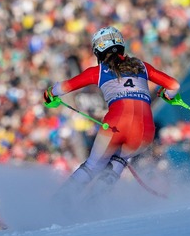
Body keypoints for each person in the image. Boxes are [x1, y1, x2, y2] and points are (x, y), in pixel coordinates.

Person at [43, 26, 180, 203]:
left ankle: (58, 203)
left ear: (98, 51)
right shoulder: (142, 66)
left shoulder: (98, 72)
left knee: (93, 165)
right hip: (145, 131)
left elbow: (63, 87)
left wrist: (49, 94)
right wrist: (167, 95)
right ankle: (93, 205)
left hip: (116, 125)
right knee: (118, 163)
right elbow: (174, 85)